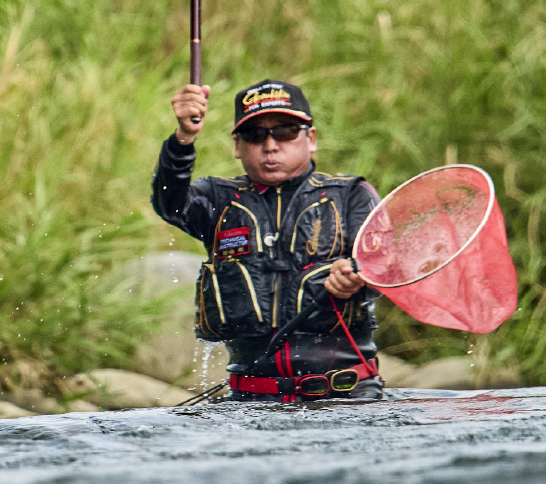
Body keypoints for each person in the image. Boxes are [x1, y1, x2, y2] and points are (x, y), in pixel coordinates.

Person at [151, 79, 384, 401]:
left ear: (311, 139)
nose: (270, 145)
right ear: (237, 146)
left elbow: (386, 270)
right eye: (255, 135)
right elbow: (168, 203)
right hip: (250, 401)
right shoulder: (217, 200)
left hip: (347, 396)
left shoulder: (352, 195)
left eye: (285, 132)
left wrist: (356, 276)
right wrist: (183, 138)